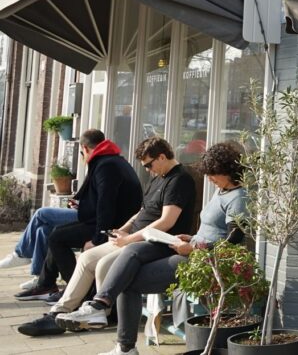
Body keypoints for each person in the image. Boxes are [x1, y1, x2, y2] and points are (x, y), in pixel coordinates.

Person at [60, 143, 248, 355]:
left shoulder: (238, 197)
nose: (210, 178)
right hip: (191, 248)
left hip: (202, 261)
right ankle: (101, 309)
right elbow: (213, 230)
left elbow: (233, 240)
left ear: (227, 170)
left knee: (127, 281)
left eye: (213, 173)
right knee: (132, 253)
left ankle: (120, 340)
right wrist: (192, 238)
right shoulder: (222, 191)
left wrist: (194, 249)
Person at [18, 136, 196, 337]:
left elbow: (166, 221)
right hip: (133, 238)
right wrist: (123, 229)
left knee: (103, 264)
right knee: (86, 258)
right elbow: (142, 211)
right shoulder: (158, 177)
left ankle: (102, 312)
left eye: (149, 165)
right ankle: (58, 313)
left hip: (154, 243)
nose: (148, 170)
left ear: (162, 157)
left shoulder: (179, 179)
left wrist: (129, 239)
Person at [10, 130, 142, 300]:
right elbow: (105, 199)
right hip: (109, 222)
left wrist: (97, 239)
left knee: (57, 237)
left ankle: (77, 291)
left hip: (114, 228)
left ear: (85, 148)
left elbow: (106, 205)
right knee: (53, 233)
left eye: (81, 153)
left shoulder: (106, 166)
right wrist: (82, 203)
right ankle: (45, 284)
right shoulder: (111, 160)